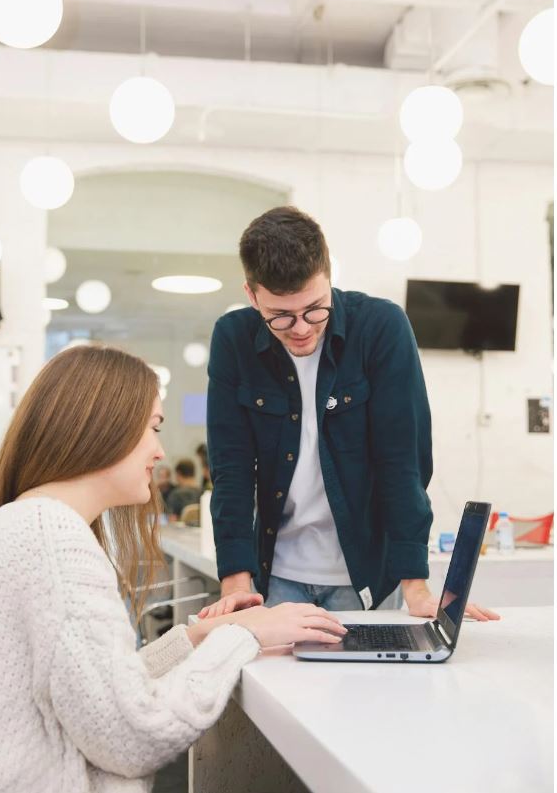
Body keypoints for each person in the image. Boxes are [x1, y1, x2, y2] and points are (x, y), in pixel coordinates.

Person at [0, 345, 347, 793]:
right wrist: (246, 636)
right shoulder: (53, 539)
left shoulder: (27, 522)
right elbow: (134, 735)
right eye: (153, 428)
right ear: (103, 427)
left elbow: (100, 690)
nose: (159, 451)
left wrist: (198, 637)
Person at [200, 206, 499, 623]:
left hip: (362, 576)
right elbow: (231, 468)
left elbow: (403, 461)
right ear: (252, 296)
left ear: (328, 276)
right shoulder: (232, 339)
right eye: (280, 317)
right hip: (277, 574)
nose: (301, 328)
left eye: (315, 308)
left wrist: (416, 585)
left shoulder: (380, 328)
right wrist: (236, 584)